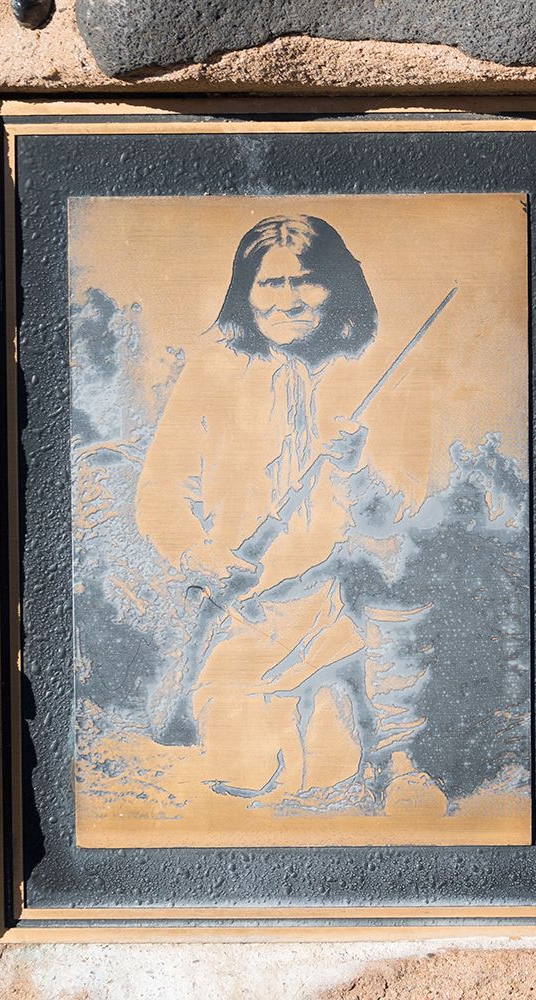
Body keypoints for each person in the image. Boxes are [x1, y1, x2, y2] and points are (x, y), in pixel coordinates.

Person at [136, 214, 411, 809]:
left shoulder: (366, 371)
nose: (287, 301)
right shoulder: (211, 371)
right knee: (243, 770)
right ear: (246, 291)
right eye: (270, 283)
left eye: (306, 280)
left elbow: (391, 524)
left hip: (334, 614)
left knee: (331, 774)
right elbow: (160, 490)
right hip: (241, 613)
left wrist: (353, 469)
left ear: (336, 285)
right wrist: (198, 552)